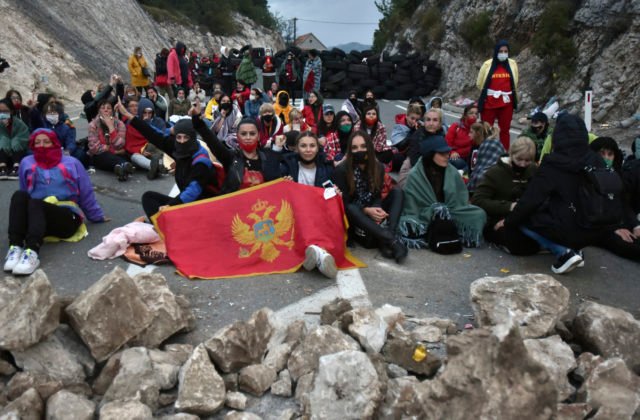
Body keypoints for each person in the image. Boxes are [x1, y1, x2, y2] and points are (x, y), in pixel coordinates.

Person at [504, 114, 640, 274]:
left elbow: (530, 201)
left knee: (526, 216)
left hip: (571, 230)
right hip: (597, 229)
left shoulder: (553, 163)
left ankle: (563, 253)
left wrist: (509, 223)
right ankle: (575, 250)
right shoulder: (595, 159)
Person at [4, 129, 108, 275]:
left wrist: (97, 216)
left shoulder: (72, 163)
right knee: (19, 196)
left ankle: (32, 251)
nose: (42, 146)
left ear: (55, 143)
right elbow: (24, 192)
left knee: (35, 203)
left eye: (46, 142)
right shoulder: (26, 163)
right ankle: (15, 246)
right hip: (38, 217)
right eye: (38, 142)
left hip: (66, 217)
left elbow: (86, 192)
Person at [116, 100, 218, 219]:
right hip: (185, 204)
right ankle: (165, 226)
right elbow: (154, 134)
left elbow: (192, 191)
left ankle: (169, 227)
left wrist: (170, 206)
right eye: (179, 137)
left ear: (193, 138)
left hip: (201, 207)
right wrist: (129, 116)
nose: (182, 141)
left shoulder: (201, 160)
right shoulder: (178, 147)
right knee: (149, 198)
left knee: (163, 211)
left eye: (186, 137)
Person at [332, 131, 408, 262]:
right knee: (351, 207)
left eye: (363, 146)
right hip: (354, 215)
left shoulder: (377, 166)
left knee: (397, 192)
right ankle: (390, 239)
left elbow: (377, 195)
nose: (359, 150)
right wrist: (366, 210)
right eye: (355, 148)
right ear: (350, 150)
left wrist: (377, 208)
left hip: (371, 208)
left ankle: (388, 238)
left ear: (369, 147)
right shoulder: (341, 170)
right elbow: (344, 204)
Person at [399, 136, 486, 250]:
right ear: (430, 154)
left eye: (447, 152)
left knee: (478, 214)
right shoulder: (415, 174)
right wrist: (435, 209)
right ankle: (442, 230)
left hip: (451, 210)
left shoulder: (452, 171)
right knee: (408, 223)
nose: (447, 156)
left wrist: (444, 210)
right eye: (442, 153)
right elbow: (412, 206)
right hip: (424, 213)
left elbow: (460, 201)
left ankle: (450, 230)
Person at [471, 136, 539, 255]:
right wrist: (509, 206)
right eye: (519, 159)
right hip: (497, 219)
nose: (523, 164)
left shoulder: (533, 170)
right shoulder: (495, 172)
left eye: (527, 161)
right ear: (511, 154)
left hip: (524, 216)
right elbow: (478, 200)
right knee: (521, 244)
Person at [195, 108, 281, 193]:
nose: (248, 137)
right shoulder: (230, 158)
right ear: (237, 136)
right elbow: (212, 141)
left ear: (258, 136)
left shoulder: (267, 158)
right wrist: (198, 122)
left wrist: (284, 183)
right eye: (243, 134)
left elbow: (274, 183)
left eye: (252, 134)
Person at [477, 40, 519, 150]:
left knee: (505, 130)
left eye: (506, 51)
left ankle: (504, 153)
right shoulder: (487, 65)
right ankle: (484, 151)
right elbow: (479, 83)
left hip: (506, 103)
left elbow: (515, 82)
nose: (503, 53)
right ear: (496, 52)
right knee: (486, 129)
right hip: (489, 103)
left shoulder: (512, 64)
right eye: (501, 51)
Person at [398, 108, 447, 188]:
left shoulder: (442, 137)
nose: (431, 123)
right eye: (428, 120)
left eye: (435, 120)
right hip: (413, 167)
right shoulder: (417, 135)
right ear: (424, 122)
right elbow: (414, 160)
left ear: (440, 123)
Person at [87, 99, 132, 181]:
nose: (106, 110)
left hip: (117, 154)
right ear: (99, 111)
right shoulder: (93, 124)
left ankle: (120, 169)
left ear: (112, 111)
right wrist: (113, 150)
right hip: (101, 155)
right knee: (104, 156)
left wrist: (111, 127)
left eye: (109, 108)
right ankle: (123, 166)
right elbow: (94, 148)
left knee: (124, 156)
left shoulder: (119, 124)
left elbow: (120, 144)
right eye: (103, 108)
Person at [124, 97, 165, 180]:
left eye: (150, 113)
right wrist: (141, 151)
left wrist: (148, 124)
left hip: (154, 149)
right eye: (144, 112)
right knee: (134, 157)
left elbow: (161, 138)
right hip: (139, 152)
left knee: (159, 151)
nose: (147, 115)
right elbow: (130, 143)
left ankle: (158, 166)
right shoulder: (133, 123)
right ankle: (153, 166)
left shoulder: (158, 121)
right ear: (140, 112)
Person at [466, 122, 506, 192]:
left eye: (471, 132)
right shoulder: (494, 144)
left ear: (477, 133)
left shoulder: (479, 148)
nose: (469, 134)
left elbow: (474, 170)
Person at [0, 99, 30, 179]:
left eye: (5, 111)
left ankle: (17, 167)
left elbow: (24, 136)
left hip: (17, 151)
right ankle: (2, 167)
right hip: (2, 150)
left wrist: (13, 141)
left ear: (12, 111)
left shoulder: (19, 123)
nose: (2, 113)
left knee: (16, 141)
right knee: (3, 140)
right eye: (0, 111)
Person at [445, 103, 479, 171]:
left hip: (470, 157)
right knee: (460, 164)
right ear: (465, 115)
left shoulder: (477, 128)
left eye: (476, 114)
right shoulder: (456, 127)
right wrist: (452, 152)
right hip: (456, 156)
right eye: (471, 113)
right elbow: (447, 143)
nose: (474, 116)